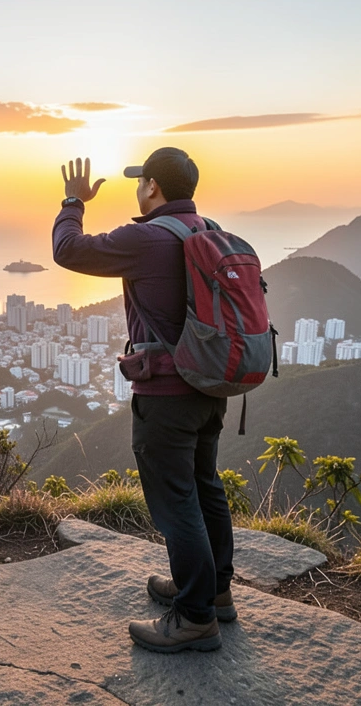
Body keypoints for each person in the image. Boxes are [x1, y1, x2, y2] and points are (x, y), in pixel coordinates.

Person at [51, 148, 235, 654]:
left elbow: (68, 250)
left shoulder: (147, 237)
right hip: (211, 387)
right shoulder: (209, 229)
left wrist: (73, 201)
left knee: (176, 501)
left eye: (140, 182)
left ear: (152, 186)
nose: (137, 189)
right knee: (204, 487)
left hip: (165, 393)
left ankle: (195, 618)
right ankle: (214, 591)